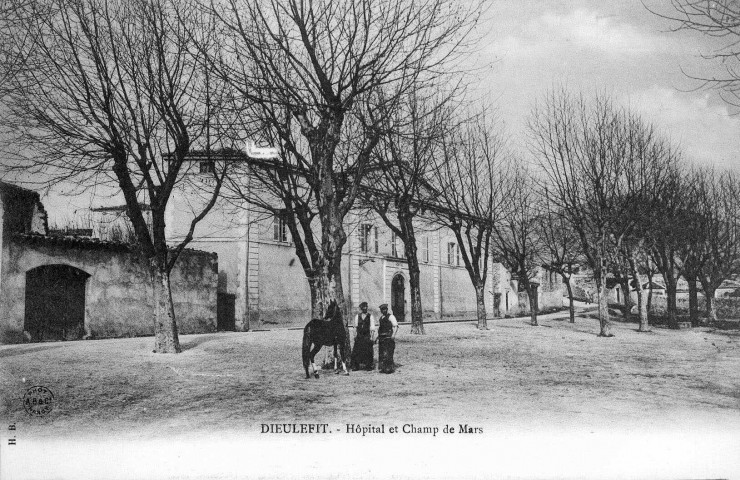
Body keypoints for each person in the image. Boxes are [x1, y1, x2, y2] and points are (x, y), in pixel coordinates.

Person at [350, 302, 376, 371]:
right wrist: (354, 335)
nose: (365, 308)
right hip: (359, 336)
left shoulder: (370, 316)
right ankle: (355, 366)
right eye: (364, 307)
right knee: (356, 351)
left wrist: (371, 337)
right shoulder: (357, 316)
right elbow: (355, 327)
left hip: (367, 335)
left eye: (366, 307)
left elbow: (372, 328)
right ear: (361, 308)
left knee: (368, 351)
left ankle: (368, 366)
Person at [376, 304, 398, 374]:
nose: (384, 311)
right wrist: (377, 337)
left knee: (388, 353)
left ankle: (389, 368)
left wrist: (393, 335)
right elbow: (379, 328)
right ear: (381, 311)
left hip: (388, 337)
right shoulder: (381, 318)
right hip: (381, 338)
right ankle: (383, 368)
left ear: (387, 309)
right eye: (382, 310)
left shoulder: (391, 317)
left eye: (385, 309)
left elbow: (396, 326)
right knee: (382, 353)